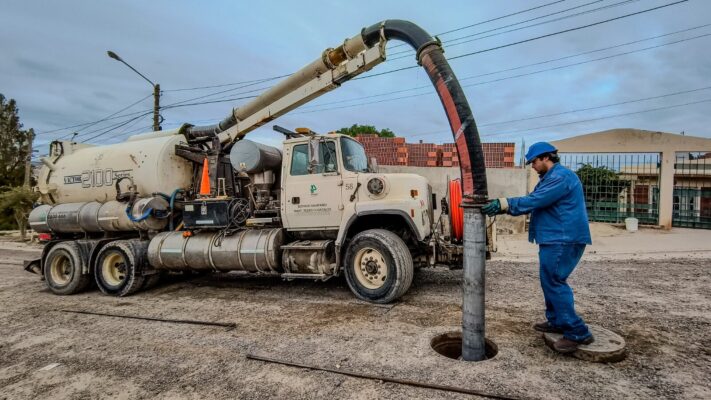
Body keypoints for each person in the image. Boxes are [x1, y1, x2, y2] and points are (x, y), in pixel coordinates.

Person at [482, 142, 594, 353]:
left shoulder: (560, 177)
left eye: (533, 161)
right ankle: (557, 321)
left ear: (545, 158)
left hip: (563, 238)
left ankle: (577, 331)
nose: (532, 166)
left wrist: (503, 204)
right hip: (555, 237)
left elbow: (535, 200)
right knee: (549, 280)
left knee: (554, 281)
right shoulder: (550, 178)